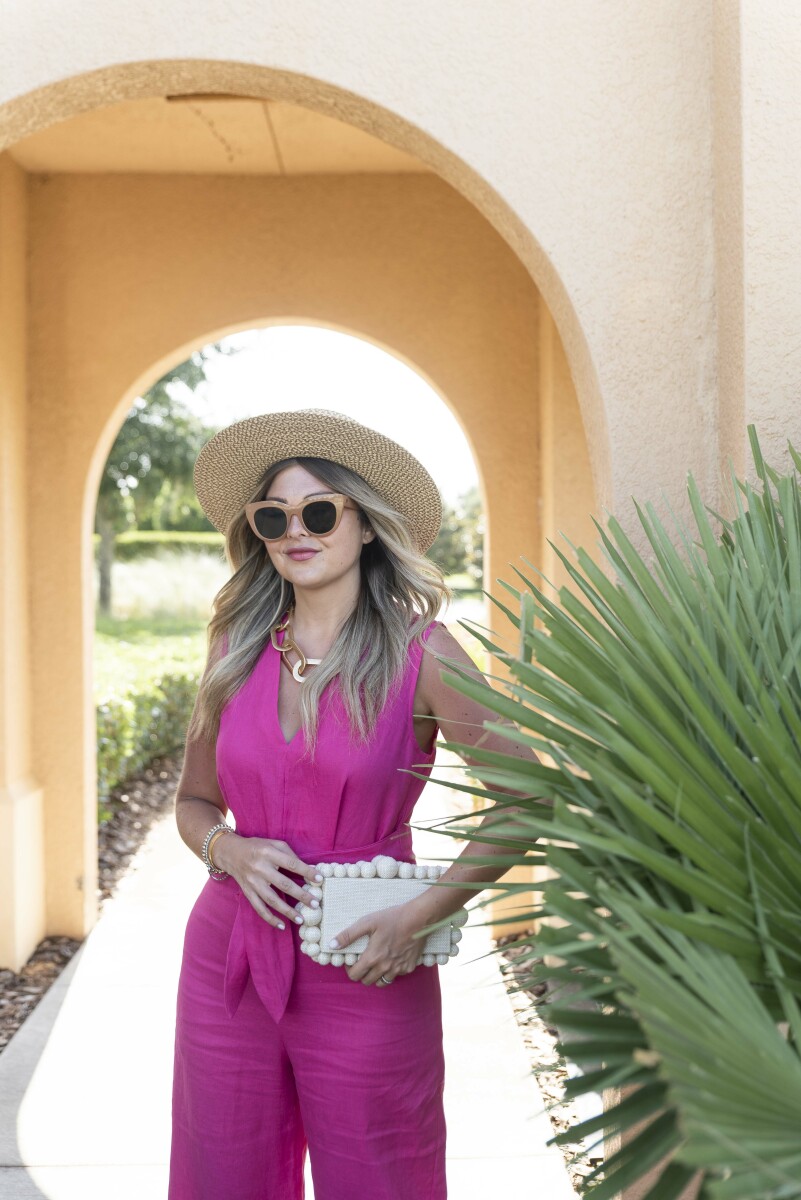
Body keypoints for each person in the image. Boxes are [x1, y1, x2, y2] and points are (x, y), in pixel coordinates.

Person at [168, 408, 547, 1199]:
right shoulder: (232, 649)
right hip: (230, 953)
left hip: (369, 954)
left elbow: (527, 798)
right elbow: (195, 803)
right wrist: (227, 850)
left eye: (317, 512)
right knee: (222, 1168)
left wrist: (424, 915)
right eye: (272, 516)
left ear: (364, 525)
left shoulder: (426, 652)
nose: (293, 532)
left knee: (382, 1171)